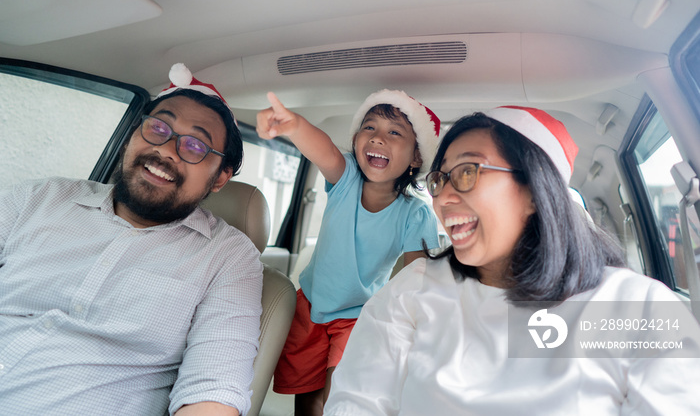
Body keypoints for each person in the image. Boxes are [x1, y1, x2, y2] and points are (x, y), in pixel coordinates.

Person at [324, 106, 700, 415]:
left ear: (536, 191)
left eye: (469, 171)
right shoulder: (414, 288)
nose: (444, 196)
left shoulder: (636, 306)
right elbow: (358, 400)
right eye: (440, 179)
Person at [0, 63, 263, 416]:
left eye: (196, 145)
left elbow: (212, 389)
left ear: (219, 179)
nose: (167, 150)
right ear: (131, 136)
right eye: (158, 127)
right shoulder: (39, 197)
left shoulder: (227, 257)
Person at [256, 89, 442, 415]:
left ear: (415, 157)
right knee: (307, 400)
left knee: (338, 398)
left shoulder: (416, 215)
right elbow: (324, 150)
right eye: (369, 128)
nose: (378, 138)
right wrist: (295, 125)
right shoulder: (346, 181)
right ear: (356, 140)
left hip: (358, 317)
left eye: (394, 132)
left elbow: (418, 278)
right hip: (309, 307)